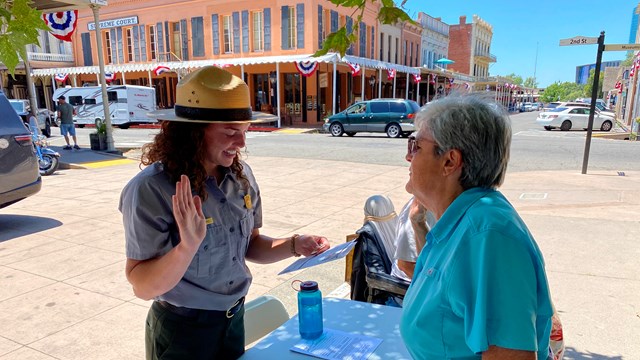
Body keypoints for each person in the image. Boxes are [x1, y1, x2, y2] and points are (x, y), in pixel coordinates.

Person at [119, 66, 330, 360]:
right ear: (191, 133)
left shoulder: (240, 178)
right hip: (182, 331)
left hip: (233, 321)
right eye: (231, 131)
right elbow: (141, 285)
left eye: (245, 131)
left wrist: (295, 244)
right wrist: (186, 248)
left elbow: (250, 246)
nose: (242, 143)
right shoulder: (150, 190)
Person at [400, 94, 553, 359]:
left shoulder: (488, 235)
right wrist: (419, 225)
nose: (407, 157)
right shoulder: (460, 219)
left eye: (415, 146)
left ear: (450, 161)